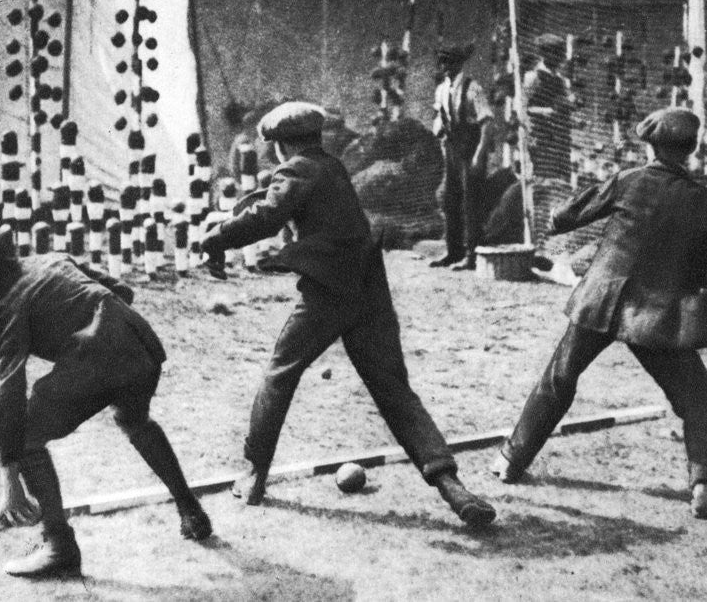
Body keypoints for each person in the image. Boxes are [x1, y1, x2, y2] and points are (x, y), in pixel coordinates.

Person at [490, 107, 707, 519]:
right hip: (652, 314)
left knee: (559, 377)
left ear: (649, 144)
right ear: (691, 149)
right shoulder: (698, 200)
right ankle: (706, 487)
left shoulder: (627, 181)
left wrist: (584, 205)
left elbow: (561, 217)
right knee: (699, 397)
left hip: (599, 299)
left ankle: (510, 460)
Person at [202, 102, 497, 527]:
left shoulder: (296, 171)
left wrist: (217, 238)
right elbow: (275, 205)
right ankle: (453, 488)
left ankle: (252, 474)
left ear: (283, 145)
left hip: (329, 292)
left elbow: (268, 215)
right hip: (369, 291)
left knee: (279, 374)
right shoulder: (333, 168)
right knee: (395, 390)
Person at [0, 225, 212, 578]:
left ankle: (58, 545)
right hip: (141, 347)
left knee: (27, 439)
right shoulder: (52, 259)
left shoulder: (3, 304)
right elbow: (122, 290)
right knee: (133, 419)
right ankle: (190, 510)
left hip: (99, 359)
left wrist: (10, 479)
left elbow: (9, 392)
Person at [430, 42, 495, 271]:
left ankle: (472, 255)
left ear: (459, 63)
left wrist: (479, 154)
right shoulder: (441, 89)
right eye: (443, 62)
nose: (446, 66)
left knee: (471, 202)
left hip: (470, 147)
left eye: (450, 62)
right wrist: (438, 130)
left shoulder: (472, 88)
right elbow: (439, 115)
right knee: (450, 200)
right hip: (451, 148)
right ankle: (453, 251)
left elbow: (487, 122)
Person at [524, 33, 573, 185]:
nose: (560, 58)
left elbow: (564, 103)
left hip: (559, 138)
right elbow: (521, 108)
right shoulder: (533, 77)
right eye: (557, 53)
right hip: (541, 136)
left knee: (560, 182)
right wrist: (546, 112)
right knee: (542, 181)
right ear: (545, 53)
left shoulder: (561, 80)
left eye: (561, 54)